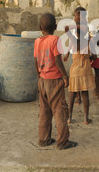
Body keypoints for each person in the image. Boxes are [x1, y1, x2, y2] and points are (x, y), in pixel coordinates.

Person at [33, 13, 77, 150]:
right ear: (55, 26)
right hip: (54, 81)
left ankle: (43, 139)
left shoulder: (37, 41)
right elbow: (58, 60)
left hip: (43, 80)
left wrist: (39, 75)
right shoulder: (55, 40)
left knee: (45, 111)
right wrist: (65, 76)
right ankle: (63, 142)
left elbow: (35, 60)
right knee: (59, 111)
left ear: (40, 27)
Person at [66, 26, 96, 124]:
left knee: (72, 94)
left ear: (77, 33)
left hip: (75, 71)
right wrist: (89, 56)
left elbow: (66, 29)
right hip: (85, 71)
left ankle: (69, 118)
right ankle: (86, 119)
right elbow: (94, 57)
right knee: (85, 94)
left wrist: (76, 26)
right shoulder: (89, 42)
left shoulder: (74, 41)